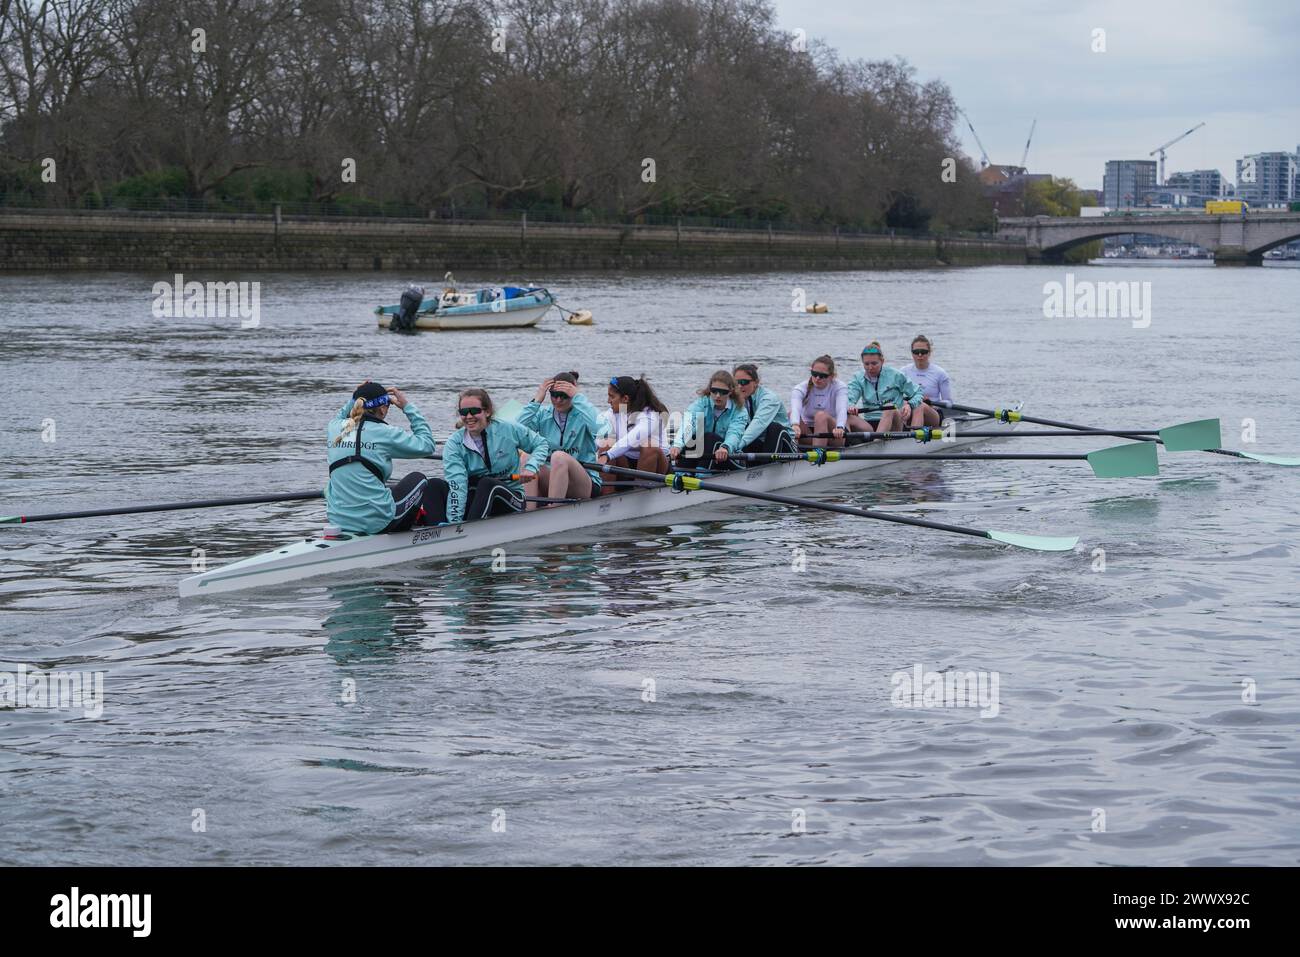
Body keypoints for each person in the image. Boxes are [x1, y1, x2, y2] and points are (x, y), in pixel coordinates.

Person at [326, 381, 446, 533]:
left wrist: (358, 395)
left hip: (337, 520)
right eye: (388, 405)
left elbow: (344, 413)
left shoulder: (334, 427)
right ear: (382, 409)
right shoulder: (386, 433)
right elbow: (427, 445)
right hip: (377, 523)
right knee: (419, 478)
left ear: (356, 404)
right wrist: (407, 407)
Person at [441, 388, 550, 522]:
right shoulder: (454, 443)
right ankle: (438, 532)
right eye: (463, 412)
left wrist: (531, 467)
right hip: (475, 496)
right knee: (435, 485)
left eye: (475, 411)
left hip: (511, 497)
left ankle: (469, 531)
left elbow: (541, 444)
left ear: (487, 412)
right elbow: (457, 484)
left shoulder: (508, 429)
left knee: (487, 483)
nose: (469, 416)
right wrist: (454, 521)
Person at [516, 372, 602, 506]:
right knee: (526, 456)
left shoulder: (583, 414)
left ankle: (553, 511)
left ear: (573, 394)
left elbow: (602, 430)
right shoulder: (543, 414)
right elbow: (516, 431)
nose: (558, 400)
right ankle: (528, 512)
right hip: (552, 479)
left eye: (564, 396)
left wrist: (578, 397)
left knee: (559, 457)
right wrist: (537, 400)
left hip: (583, 483)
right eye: (554, 395)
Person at [670, 370, 750, 470]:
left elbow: (735, 433)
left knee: (710, 437)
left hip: (726, 456)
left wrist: (725, 447)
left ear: (730, 391)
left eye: (723, 392)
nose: (717, 395)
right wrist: (677, 446)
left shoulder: (739, 410)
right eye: (714, 391)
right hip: (703, 454)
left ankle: (701, 473)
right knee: (692, 438)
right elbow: (689, 423)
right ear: (710, 390)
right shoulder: (701, 404)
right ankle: (682, 472)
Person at [597, 375, 670, 481]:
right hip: (627, 464)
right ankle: (607, 495)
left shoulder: (650, 415)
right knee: (605, 444)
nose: (608, 401)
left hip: (657, 465)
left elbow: (634, 437)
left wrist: (608, 455)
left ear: (625, 398)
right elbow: (596, 438)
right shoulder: (611, 414)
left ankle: (640, 492)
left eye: (612, 397)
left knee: (648, 445)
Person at [846, 342, 927, 434]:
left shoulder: (895, 375)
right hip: (870, 423)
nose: (870, 368)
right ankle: (843, 444)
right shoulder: (858, 378)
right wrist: (850, 406)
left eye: (874, 363)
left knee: (889, 407)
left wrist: (909, 405)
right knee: (845, 415)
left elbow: (918, 393)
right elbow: (849, 397)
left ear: (882, 361)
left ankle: (876, 444)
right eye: (866, 364)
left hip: (895, 422)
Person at [733, 363, 796, 453]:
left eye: (744, 382)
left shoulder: (770, 398)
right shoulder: (734, 399)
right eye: (736, 383)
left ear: (756, 382)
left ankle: (769, 465)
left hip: (785, 445)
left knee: (774, 427)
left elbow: (759, 423)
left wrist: (737, 446)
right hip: (760, 443)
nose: (739, 386)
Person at [790, 355, 847, 448]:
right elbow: (795, 408)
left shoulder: (840, 387)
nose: (817, 378)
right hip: (809, 434)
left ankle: (818, 454)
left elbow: (842, 409)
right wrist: (795, 424)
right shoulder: (800, 388)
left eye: (822, 376)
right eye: (814, 374)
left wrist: (840, 427)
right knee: (790, 415)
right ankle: (797, 453)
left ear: (831, 376)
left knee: (821, 416)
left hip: (834, 433)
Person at [897, 334, 952, 427]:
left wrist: (931, 402)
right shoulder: (903, 372)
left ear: (929, 353)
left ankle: (913, 438)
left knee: (919, 405)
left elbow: (948, 402)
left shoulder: (940, 373)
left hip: (933, 413)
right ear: (912, 353)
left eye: (923, 352)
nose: (919, 355)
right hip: (908, 411)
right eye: (916, 352)